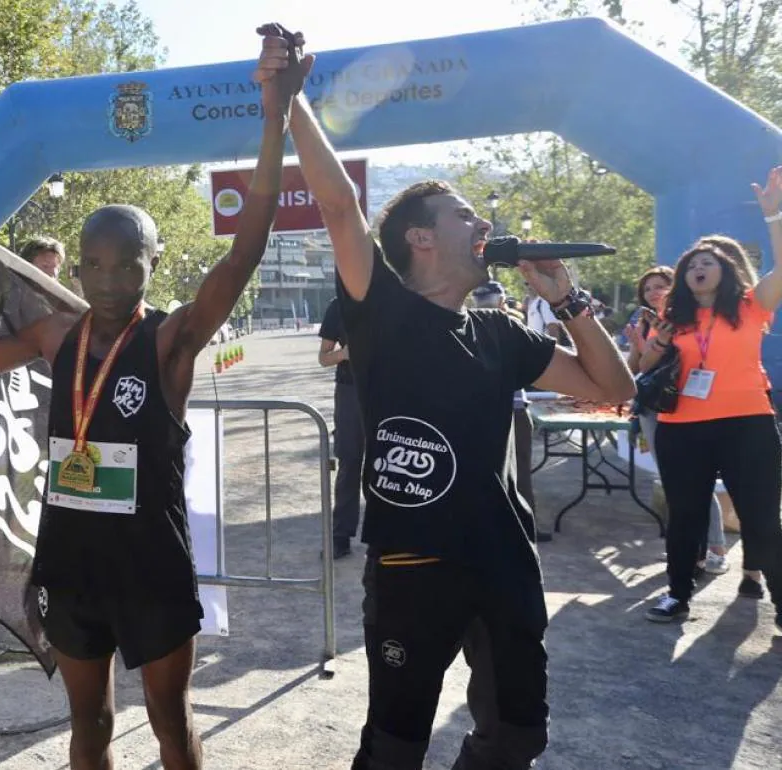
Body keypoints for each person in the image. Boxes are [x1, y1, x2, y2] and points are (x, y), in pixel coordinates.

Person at [0, 26, 303, 768]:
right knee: (87, 727)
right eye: (95, 263)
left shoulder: (170, 341)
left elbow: (246, 249)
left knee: (169, 722)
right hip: (71, 567)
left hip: (152, 568)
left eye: (129, 265)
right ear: (81, 265)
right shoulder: (56, 338)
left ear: (154, 265)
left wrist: (274, 115)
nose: (111, 279)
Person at [257, 29, 635, 770]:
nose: (485, 225)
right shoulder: (383, 311)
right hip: (411, 566)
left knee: (518, 735)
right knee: (395, 747)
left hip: (502, 559)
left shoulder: (501, 334)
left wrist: (569, 300)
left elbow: (614, 389)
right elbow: (339, 209)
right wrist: (292, 103)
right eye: (465, 215)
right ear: (422, 240)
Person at [638, 166, 782, 628]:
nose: (698, 268)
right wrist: (658, 341)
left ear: (728, 269)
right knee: (685, 517)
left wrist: (775, 214)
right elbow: (643, 368)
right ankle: (678, 594)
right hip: (682, 428)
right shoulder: (671, 314)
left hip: (747, 425)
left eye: (708, 263)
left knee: (761, 518)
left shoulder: (750, 305)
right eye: (692, 264)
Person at [624, 266, 728, 576]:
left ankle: (716, 546)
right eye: (647, 289)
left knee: (695, 478)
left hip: (684, 405)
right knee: (673, 480)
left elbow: (688, 361)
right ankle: (689, 548)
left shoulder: (687, 321)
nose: (653, 292)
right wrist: (636, 342)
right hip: (651, 406)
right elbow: (638, 367)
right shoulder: (645, 323)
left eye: (660, 286)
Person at [470, 282, 552, 543]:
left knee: (520, 473)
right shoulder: (464, 329)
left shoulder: (514, 327)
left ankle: (525, 526)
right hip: (485, 412)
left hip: (512, 409)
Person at [318, 295, 363, 559]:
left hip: (389, 389)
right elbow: (323, 358)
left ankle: (387, 538)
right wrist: (345, 353)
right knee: (349, 462)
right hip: (350, 392)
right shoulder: (338, 305)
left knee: (388, 466)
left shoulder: (393, 297)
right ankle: (340, 536)